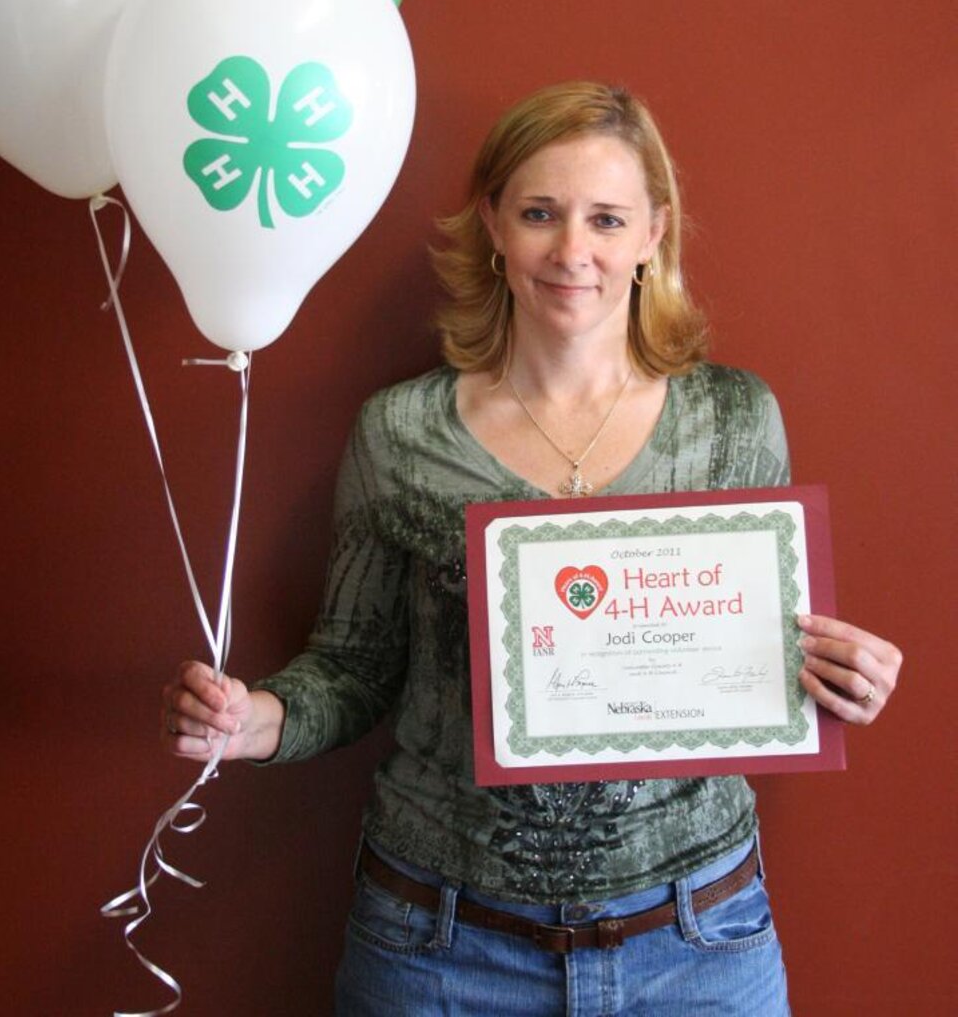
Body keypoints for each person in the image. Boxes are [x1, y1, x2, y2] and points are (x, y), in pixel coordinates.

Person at [162, 83, 902, 1016]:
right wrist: (255, 720)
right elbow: (354, 667)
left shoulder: (734, 420)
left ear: (652, 235)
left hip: (697, 941)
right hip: (439, 945)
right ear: (494, 227)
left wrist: (840, 678)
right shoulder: (400, 432)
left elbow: (758, 656)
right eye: (540, 213)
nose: (572, 250)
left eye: (606, 218)